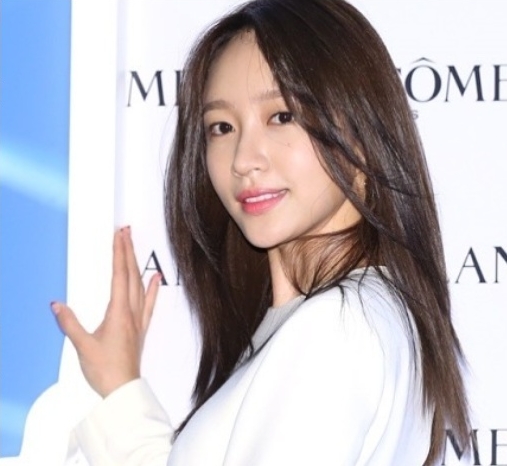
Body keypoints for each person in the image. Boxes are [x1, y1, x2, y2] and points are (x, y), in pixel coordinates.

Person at [51, 0, 472, 464]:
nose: (244, 159)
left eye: (282, 116)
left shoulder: (336, 325)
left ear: (363, 134)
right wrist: (121, 386)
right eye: (221, 127)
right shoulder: (335, 318)